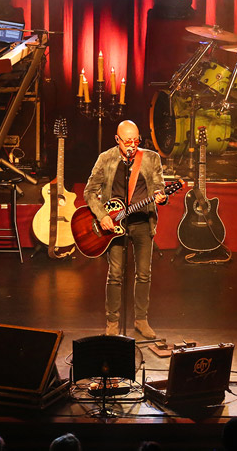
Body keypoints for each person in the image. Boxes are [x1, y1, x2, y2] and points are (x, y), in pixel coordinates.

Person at [83, 120, 168, 339]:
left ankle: (141, 320)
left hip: (142, 222)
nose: (132, 144)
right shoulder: (106, 159)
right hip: (115, 224)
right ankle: (112, 322)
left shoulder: (151, 158)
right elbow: (90, 192)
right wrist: (102, 216)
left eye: (135, 140)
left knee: (144, 274)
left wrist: (162, 197)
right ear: (117, 139)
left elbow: (159, 187)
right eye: (127, 140)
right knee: (116, 275)